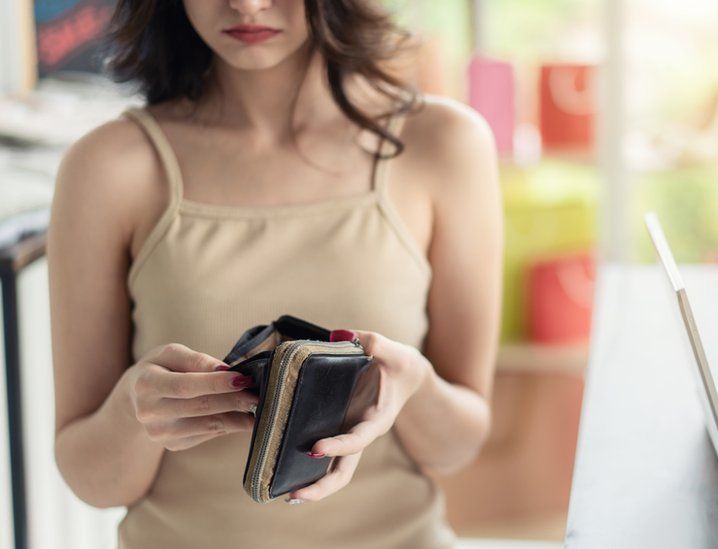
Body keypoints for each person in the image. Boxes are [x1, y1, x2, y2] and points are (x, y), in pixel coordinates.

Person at [46, 1, 501, 547]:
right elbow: (91, 480)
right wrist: (134, 408)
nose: (246, 3)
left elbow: (457, 446)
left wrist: (411, 386)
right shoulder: (107, 167)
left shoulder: (444, 145)